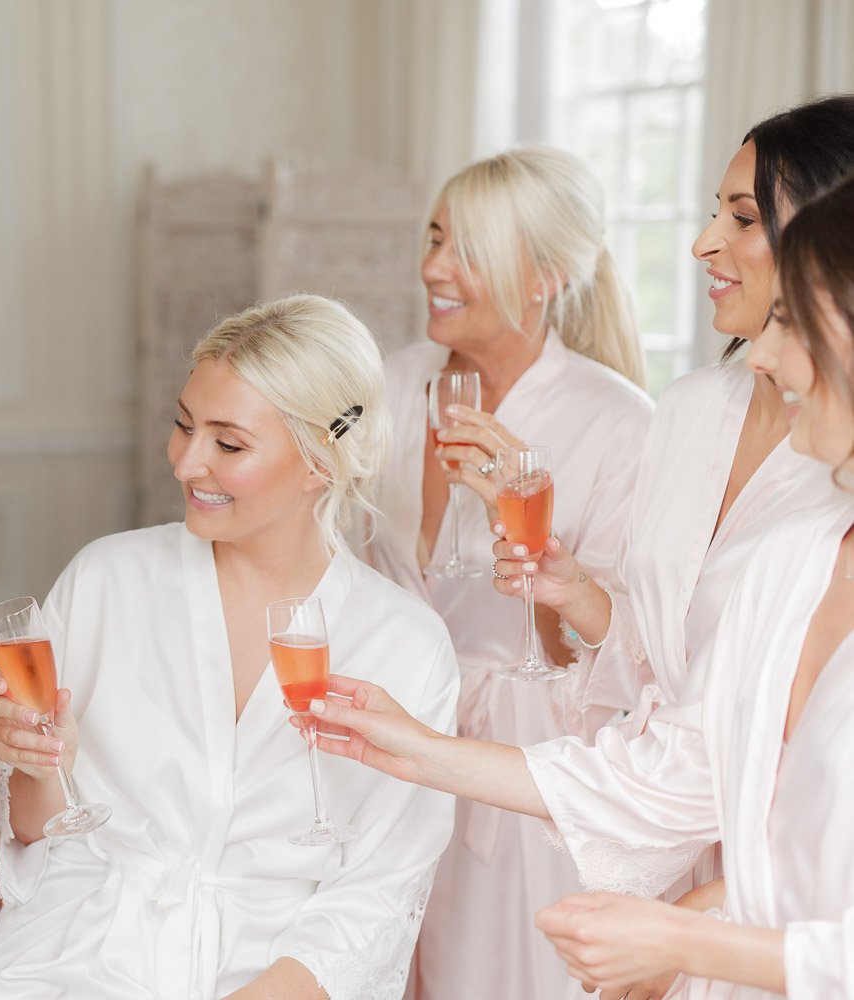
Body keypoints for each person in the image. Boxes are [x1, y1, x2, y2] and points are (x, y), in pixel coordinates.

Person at [302, 174, 854, 1000]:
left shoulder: (620, 419)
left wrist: (689, 937)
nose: (764, 360)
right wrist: (411, 745)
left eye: (790, 322)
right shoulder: (795, 560)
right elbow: (684, 772)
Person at [0, 295, 460, 999]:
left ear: (320, 460)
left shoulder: (405, 644)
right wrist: (40, 764)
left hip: (277, 978)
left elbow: (377, 896)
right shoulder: (106, 578)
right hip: (77, 961)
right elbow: (39, 830)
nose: (186, 463)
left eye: (228, 445)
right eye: (183, 426)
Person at [481, 96, 854, 999]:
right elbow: (657, 667)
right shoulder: (687, 411)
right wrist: (576, 593)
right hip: (655, 847)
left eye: (743, 218)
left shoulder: (830, 475)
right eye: (712, 212)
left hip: (788, 878)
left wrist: (696, 931)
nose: (702, 243)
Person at [361, 146, 653, 999]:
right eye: (434, 238)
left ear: (544, 279)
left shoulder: (619, 423)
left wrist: (519, 525)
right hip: (383, 740)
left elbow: (615, 666)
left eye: (468, 250)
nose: (433, 268)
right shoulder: (390, 386)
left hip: (519, 765)